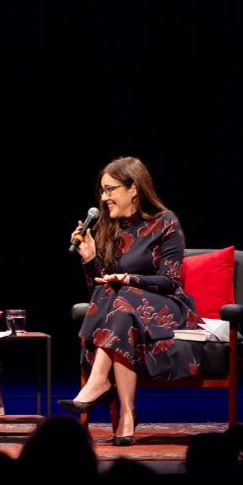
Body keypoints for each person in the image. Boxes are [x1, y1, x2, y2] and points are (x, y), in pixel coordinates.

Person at [59, 156, 199, 446]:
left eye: (110, 190)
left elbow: (171, 281)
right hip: (125, 310)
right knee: (120, 308)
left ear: (133, 188)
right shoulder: (109, 228)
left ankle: (98, 381)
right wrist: (90, 260)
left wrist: (129, 279)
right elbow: (99, 292)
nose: (103, 197)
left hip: (166, 307)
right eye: (101, 191)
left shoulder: (166, 222)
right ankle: (126, 413)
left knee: (122, 299)